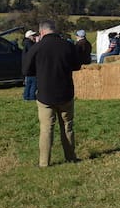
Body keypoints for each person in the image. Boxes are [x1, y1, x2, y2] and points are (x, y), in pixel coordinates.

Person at [22, 20, 82, 167]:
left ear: (42, 32)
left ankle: (44, 162)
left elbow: (26, 70)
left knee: (46, 129)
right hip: (65, 92)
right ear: (55, 30)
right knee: (67, 127)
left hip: (45, 94)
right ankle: (70, 157)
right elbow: (77, 65)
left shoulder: (37, 47)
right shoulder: (68, 45)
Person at [22, 30, 38, 101]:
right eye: (33, 36)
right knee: (34, 82)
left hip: (27, 66)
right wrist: (37, 43)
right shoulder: (29, 43)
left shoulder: (26, 43)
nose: (34, 37)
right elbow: (34, 51)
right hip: (31, 66)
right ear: (29, 36)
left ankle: (26, 96)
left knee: (28, 83)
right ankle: (31, 96)